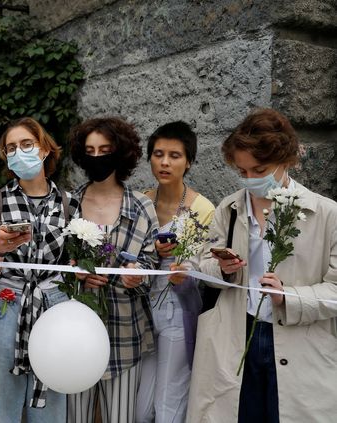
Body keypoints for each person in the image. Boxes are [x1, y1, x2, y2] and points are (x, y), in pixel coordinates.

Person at [188, 109, 337, 422]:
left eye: (260, 170)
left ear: (286, 159)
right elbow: (201, 264)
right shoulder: (228, 209)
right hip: (235, 335)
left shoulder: (326, 215)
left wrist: (289, 297)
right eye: (242, 172)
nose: (251, 180)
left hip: (301, 343)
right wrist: (223, 269)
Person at [0, 117, 80, 423]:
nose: (18, 152)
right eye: (11, 148)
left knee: (51, 397)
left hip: (54, 303)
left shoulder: (69, 202)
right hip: (6, 303)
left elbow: (73, 262)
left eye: (26, 144)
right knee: (5, 401)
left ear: (45, 149)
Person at [66, 117, 159, 423]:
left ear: (120, 153)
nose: (97, 157)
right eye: (89, 150)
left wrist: (138, 276)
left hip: (124, 334)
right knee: (74, 417)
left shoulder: (142, 206)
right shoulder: (68, 204)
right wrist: (74, 272)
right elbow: (50, 263)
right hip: (73, 333)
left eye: (104, 149)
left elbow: (152, 265)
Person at [135, 121, 215, 423]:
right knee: (140, 408)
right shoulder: (141, 200)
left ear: (189, 161)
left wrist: (188, 268)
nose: (165, 162)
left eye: (174, 155)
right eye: (158, 154)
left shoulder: (204, 209)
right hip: (141, 311)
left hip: (177, 309)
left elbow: (210, 264)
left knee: (169, 401)